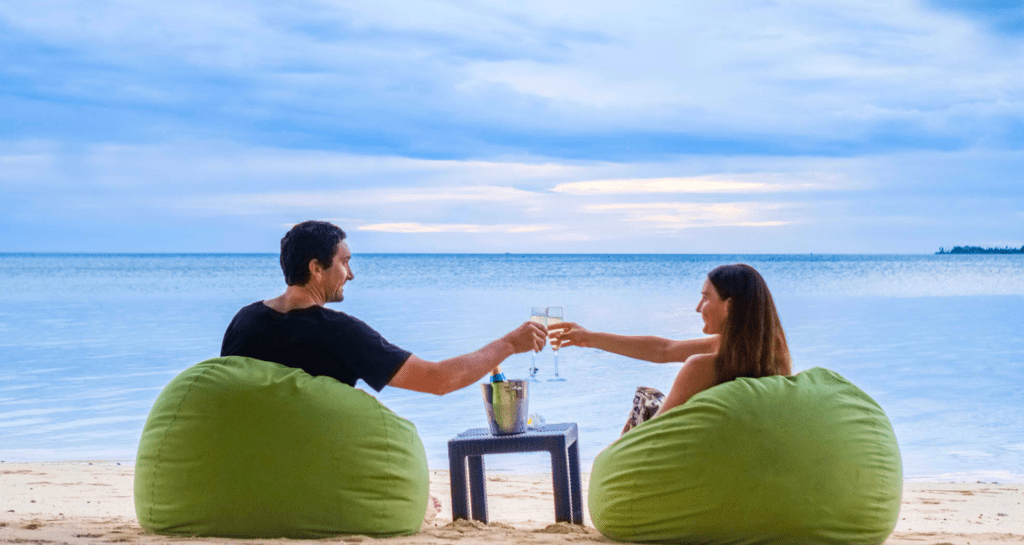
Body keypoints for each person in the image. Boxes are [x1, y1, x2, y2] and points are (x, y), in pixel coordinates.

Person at [221, 220, 546, 395]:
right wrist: (508, 344)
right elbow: (438, 380)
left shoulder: (245, 320)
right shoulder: (338, 331)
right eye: (344, 263)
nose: (350, 274)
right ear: (316, 269)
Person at [549, 263, 791, 433]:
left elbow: (653, 435)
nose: (698, 307)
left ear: (729, 306)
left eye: (706, 297)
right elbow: (663, 350)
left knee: (645, 399)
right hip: (744, 453)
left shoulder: (703, 365)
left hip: (695, 461)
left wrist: (618, 446)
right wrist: (590, 338)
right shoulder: (773, 358)